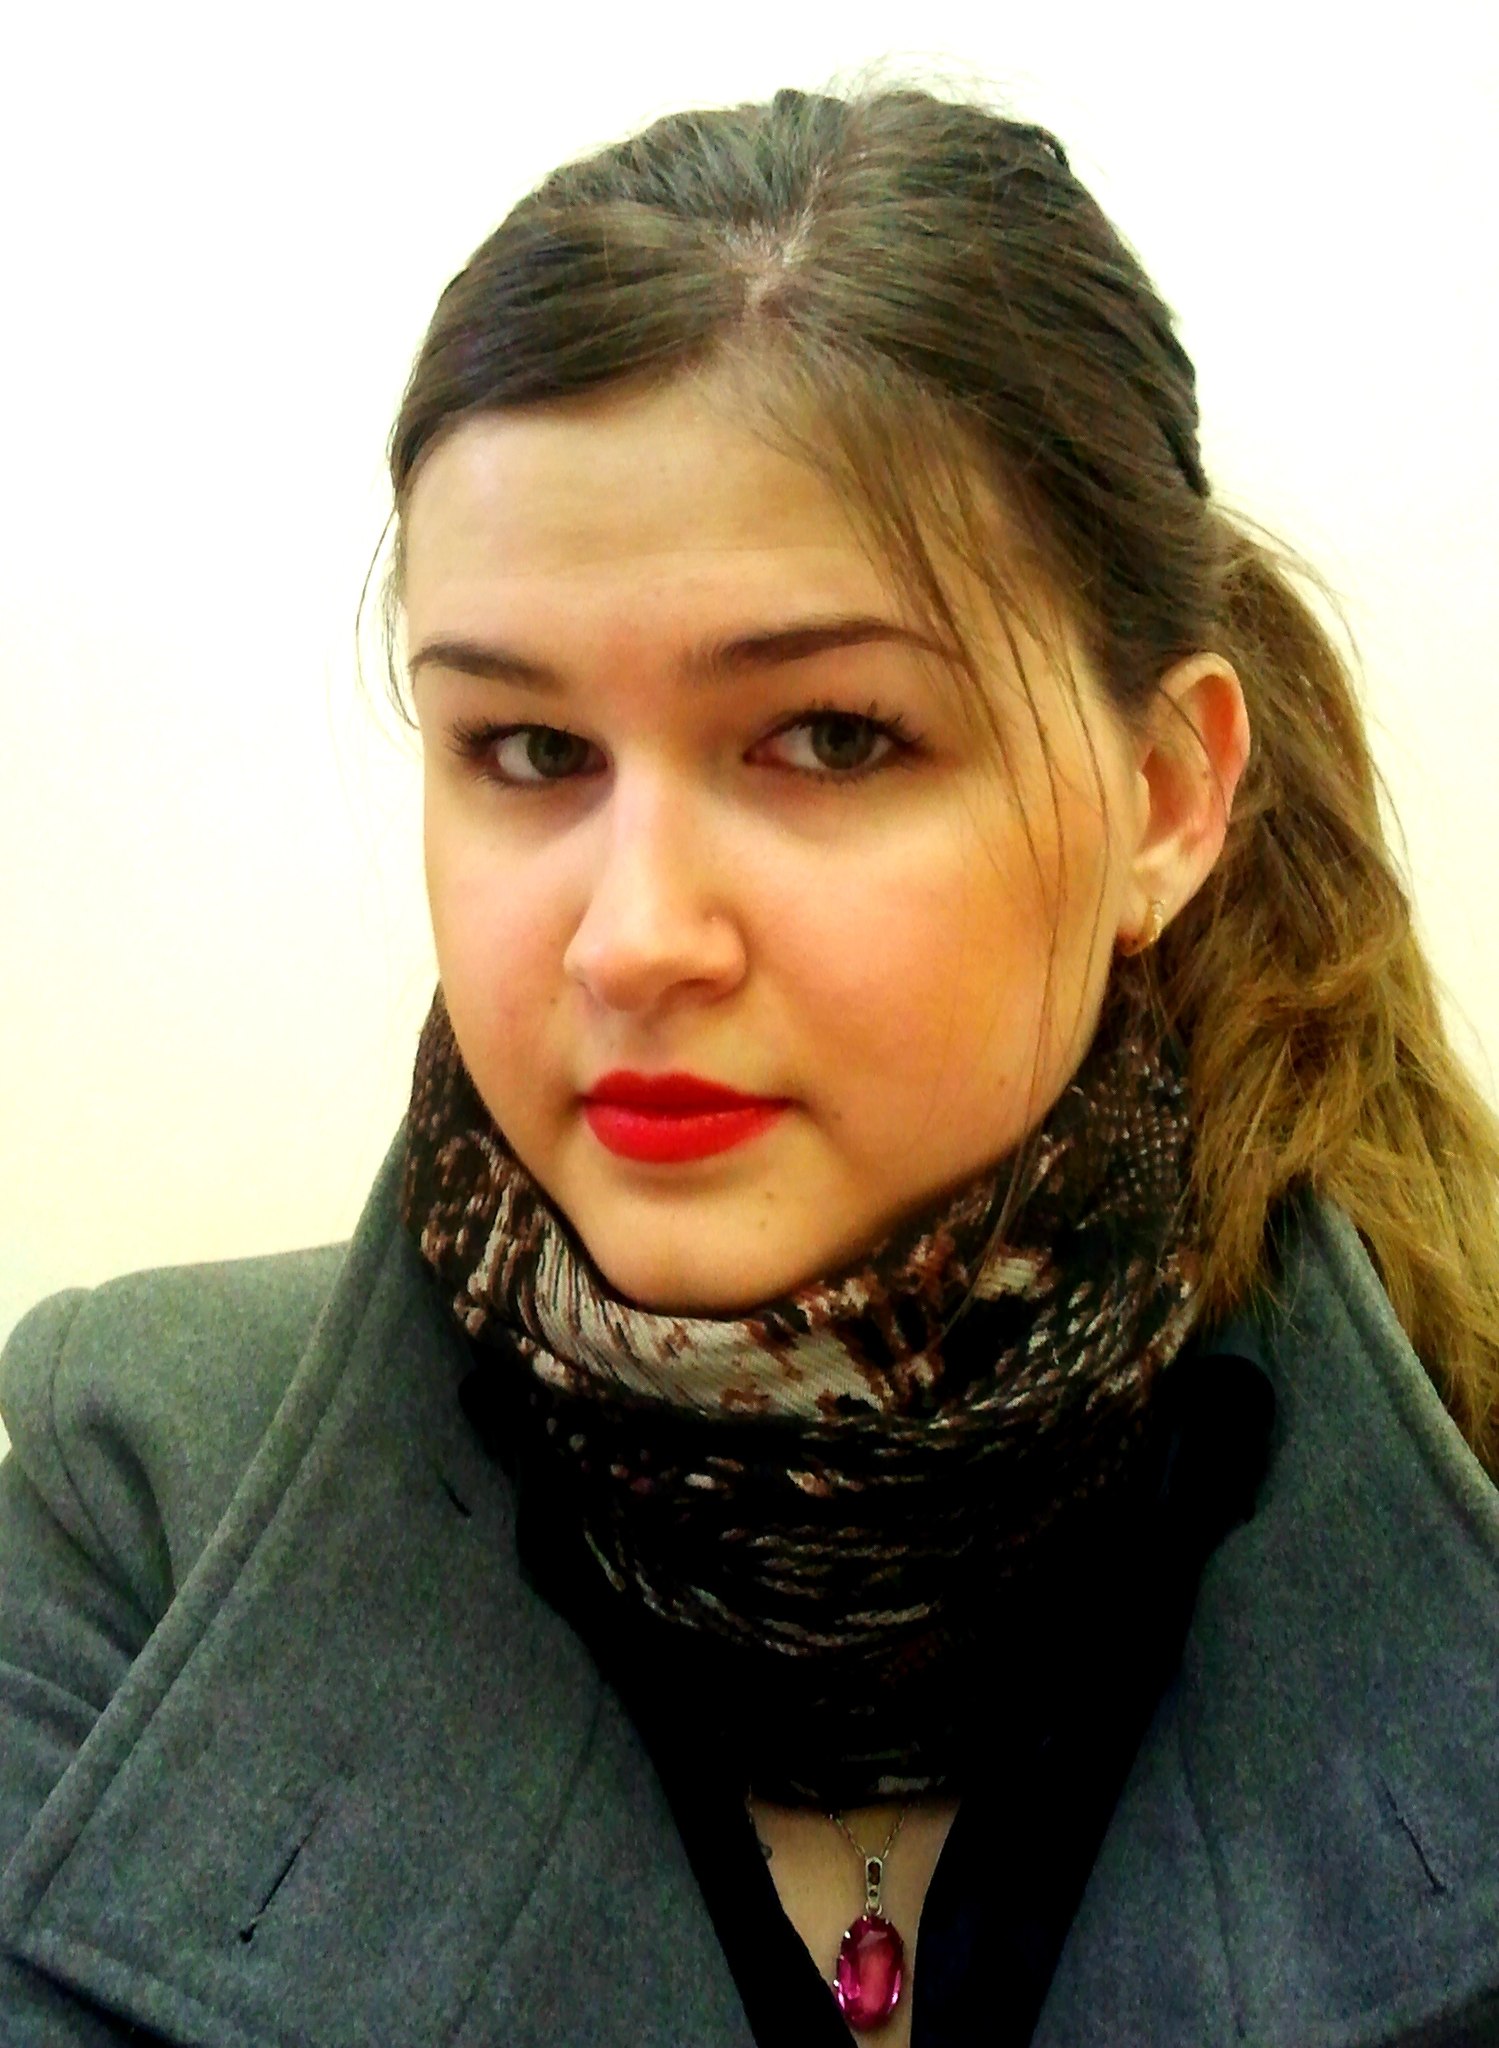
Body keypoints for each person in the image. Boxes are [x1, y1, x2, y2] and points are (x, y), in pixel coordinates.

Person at [2, 70, 1496, 2048]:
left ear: (1162, 798)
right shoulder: (130, 1518)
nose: (631, 937)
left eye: (832, 739)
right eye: (529, 750)